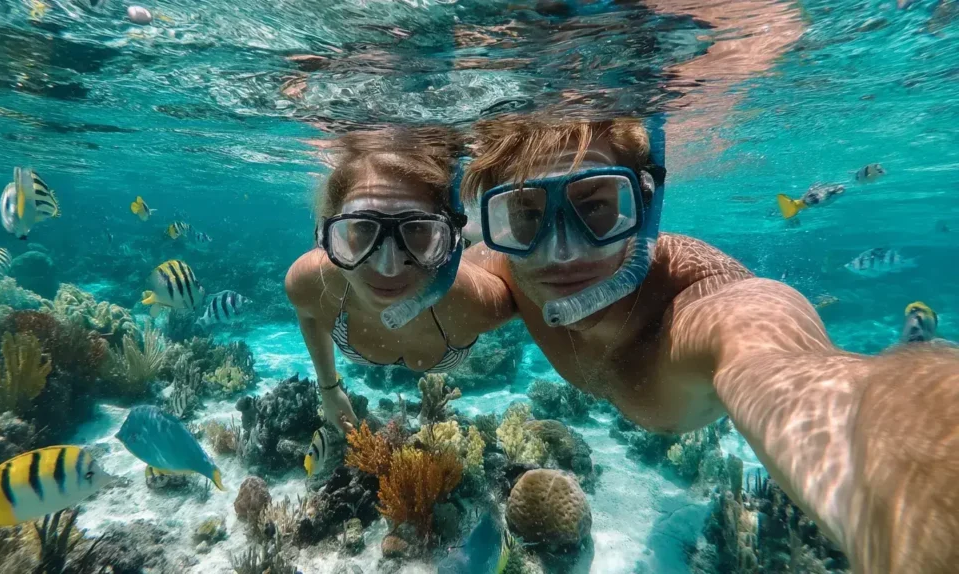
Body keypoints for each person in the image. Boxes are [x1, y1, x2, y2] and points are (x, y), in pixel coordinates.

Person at [462, 114, 959, 572]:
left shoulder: (705, 302)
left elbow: (791, 367)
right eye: (525, 214)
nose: (561, 250)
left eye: (595, 206)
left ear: (646, 203)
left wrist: (918, 501)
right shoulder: (508, 262)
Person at [286, 127, 514, 433]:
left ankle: (470, 235)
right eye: (364, 228)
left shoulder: (480, 302)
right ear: (326, 238)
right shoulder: (311, 281)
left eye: (418, 228)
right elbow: (308, 314)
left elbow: (521, 273)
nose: (389, 268)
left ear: (448, 242)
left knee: (485, 244)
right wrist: (329, 389)